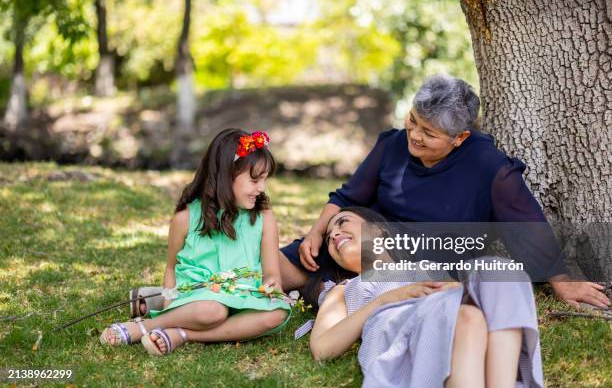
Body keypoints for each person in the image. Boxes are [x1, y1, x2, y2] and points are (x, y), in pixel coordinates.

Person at [281, 74, 610, 309]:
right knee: (293, 260)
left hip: (429, 256)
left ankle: (332, 288)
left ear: (460, 138)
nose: (414, 135)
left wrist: (561, 280)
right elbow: (347, 198)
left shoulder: (489, 167)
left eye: (429, 132)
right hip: (370, 238)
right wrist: (316, 231)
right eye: (413, 120)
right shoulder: (393, 143)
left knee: (355, 248)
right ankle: (263, 287)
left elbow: (525, 225)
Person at [304, 207, 544, 388]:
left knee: (499, 272)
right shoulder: (344, 290)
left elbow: (457, 295)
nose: (334, 234)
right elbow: (322, 349)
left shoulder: (424, 267)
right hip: (402, 325)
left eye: (342, 222)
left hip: (448, 311)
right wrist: (386, 299)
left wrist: (456, 291)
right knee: (466, 317)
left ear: (377, 228)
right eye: (328, 238)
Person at [100, 128, 290, 355]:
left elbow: (272, 275)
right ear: (226, 174)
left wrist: (272, 288)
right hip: (198, 300)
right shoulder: (186, 218)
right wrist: (170, 307)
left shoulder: (264, 217)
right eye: (254, 179)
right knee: (213, 311)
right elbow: (172, 268)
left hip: (244, 297)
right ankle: (144, 326)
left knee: (279, 312)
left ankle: (183, 333)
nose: (261, 188)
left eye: (264, 179)